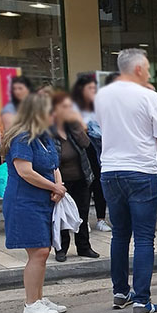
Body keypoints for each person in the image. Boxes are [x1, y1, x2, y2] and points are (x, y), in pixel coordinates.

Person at [96, 48, 157, 313]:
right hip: (142, 170)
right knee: (144, 237)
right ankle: (142, 301)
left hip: (110, 170)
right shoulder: (149, 96)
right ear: (138, 69)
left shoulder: (102, 96)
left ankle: (120, 292)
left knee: (120, 234)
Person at [1, 93, 67, 313]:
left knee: (43, 250)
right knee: (38, 251)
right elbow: (25, 171)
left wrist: (57, 185)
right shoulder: (22, 138)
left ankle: (38, 297)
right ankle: (31, 303)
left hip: (41, 201)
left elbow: (54, 165)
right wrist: (54, 187)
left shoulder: (43, 136)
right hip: (24, 202)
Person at [50, 91, 98, 262]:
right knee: (61, 215)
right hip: (60, 181)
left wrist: (76, 124)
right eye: (65, 106)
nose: (69, 109)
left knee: (82, 214)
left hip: (81, 178)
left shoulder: (72, 128)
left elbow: (86, 144)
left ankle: (84, 247)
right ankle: (61, 249)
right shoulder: (48, 131)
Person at [72, 75, 110, 233]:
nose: (94, 91)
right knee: (84, 186)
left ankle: (101, 219)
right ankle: (82, 219)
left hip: (100, 150)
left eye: (95, 88)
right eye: (90, 88)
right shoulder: (73, 108)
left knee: (100, 185)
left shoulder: (100, 107)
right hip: (81, 150)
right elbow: (78, 128)